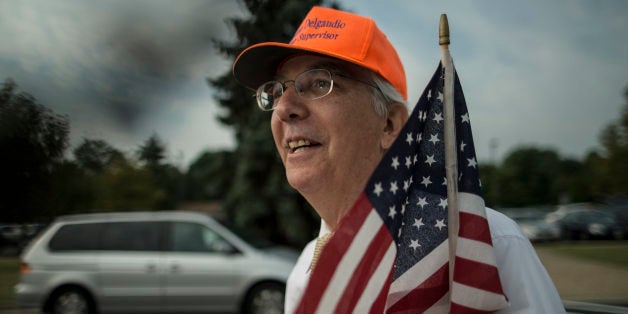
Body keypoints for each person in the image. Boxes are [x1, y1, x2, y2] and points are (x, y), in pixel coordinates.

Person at [232, 6, 564, 314]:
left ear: (390, 123)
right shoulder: (306, 273)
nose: (283, 108)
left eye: (320, 83)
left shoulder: (482, 243)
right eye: (274, 92)